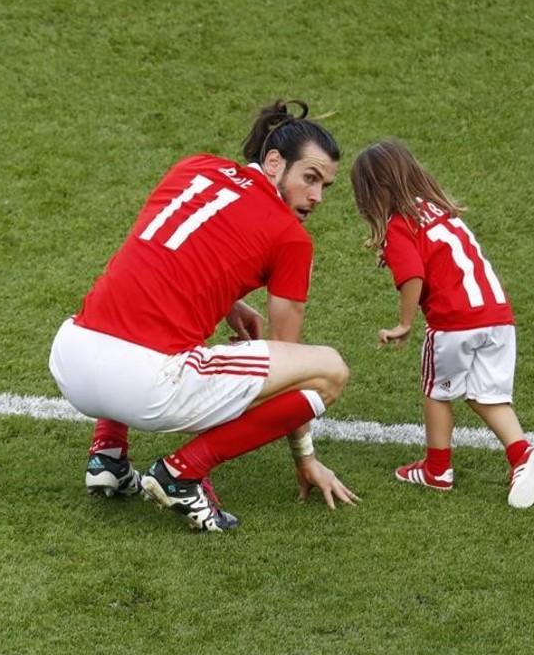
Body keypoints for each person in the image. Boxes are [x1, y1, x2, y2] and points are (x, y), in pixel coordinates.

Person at [49, 100, 359, 532]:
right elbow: (291, 358)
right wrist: (305, 455)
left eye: (325, 186)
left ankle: (108, 455)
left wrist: (228, 302)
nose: (316, 197)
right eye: (310, 178)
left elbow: (165, 252)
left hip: (71, 355)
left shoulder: (193, 168)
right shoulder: (290, 238)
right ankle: (181, 473)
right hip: (145, 385)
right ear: (274, 163)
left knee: (132, 304)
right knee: (329, 371)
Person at [349, 139, 534, 508]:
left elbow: (414, 274)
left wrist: (404, 322)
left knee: (437, 391)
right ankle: (521, 454)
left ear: (372, 193)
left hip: (454, 322)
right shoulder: (439, 210)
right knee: (486, 394)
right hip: (498, 316)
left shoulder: (398, 225)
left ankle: (437, 469)